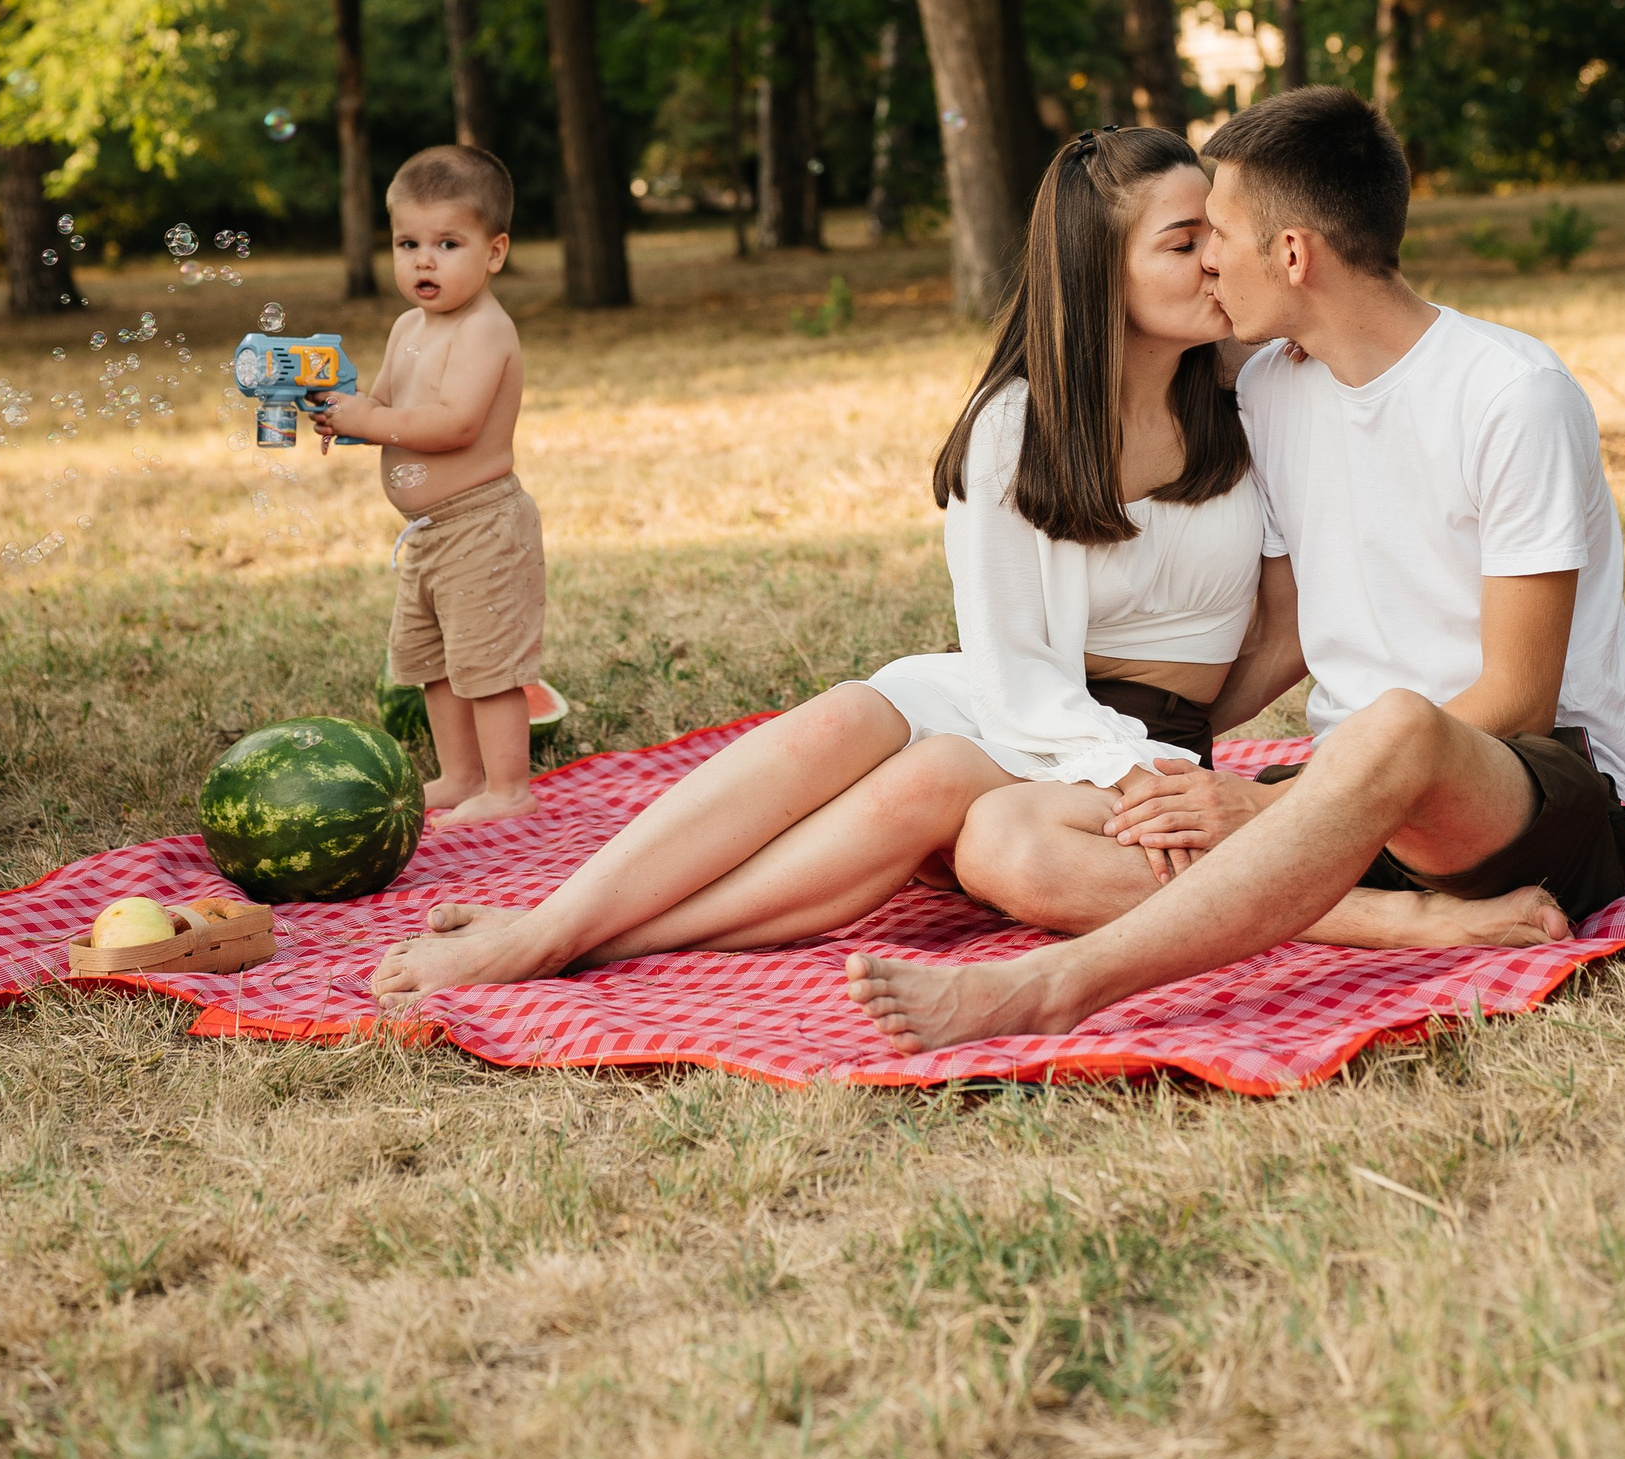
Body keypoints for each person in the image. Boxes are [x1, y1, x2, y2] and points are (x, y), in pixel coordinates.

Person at [845, 86, 1625, 1056]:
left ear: (1292, 255)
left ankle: (1054, 988)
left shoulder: (1512, 396)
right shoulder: (1272, 388)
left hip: (1525, 792)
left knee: (1397, 723)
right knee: (1001, 837)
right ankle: (1394, 919)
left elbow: (1520, 695)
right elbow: (1281, 633)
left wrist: (1269, 802)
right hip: (1345, 802)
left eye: (1219, 234)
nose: (1207, 262)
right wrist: (1135, 754)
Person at [370, 126, 1266, 1001]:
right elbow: (1011, 659)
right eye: (1185, 242)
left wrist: (1140, 765)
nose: (1217, 261)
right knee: (846, 715)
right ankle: (557, 922)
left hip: (1137, 735)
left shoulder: (1248, 392)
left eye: (1215, 236)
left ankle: (578, 941)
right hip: (1026, 696)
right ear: (1098, 269)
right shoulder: (1014, 424)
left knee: (934, 776)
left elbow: (1290, 620)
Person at [312, 143, 560, 827]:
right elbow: (384, 407)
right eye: (408, 244)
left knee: (487, 661)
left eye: (448, 244)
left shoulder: (485, 330)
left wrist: (372, 419)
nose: (425, 261)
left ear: (494, 252)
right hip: (427, 533)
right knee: (435, 660)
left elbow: (455, 425)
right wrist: (343, 415)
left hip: (483, 525)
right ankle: (461, 776)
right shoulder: (406, 328)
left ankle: (508, 790)